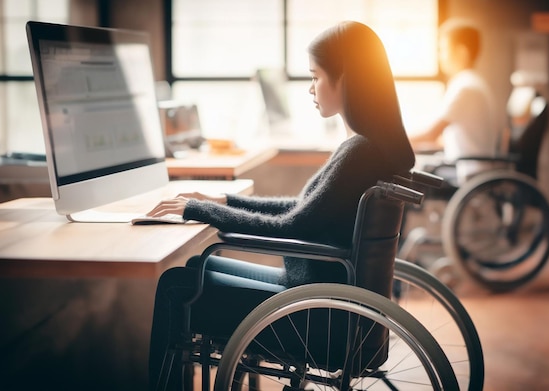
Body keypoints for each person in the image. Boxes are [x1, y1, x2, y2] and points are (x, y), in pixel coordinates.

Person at [147, 20, 415, 389]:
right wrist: (224, 199)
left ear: (346, 80)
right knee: (195, 268)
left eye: (316, 76)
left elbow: (294, 225)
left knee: (178, 283)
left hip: (312, 312)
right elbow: (306, 209)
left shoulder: (360, 152)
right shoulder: (372, 149)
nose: (310, 88)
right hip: (320, 296)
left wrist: (198, 211)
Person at [409, 18, 499, 185]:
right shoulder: (474, 82)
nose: (440, 56)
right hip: (470, 165)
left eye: (443, 49)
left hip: (468, 169)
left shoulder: (464, 86)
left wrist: (398, 141)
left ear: (461, 52)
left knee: (411, 175)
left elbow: (431, 133)